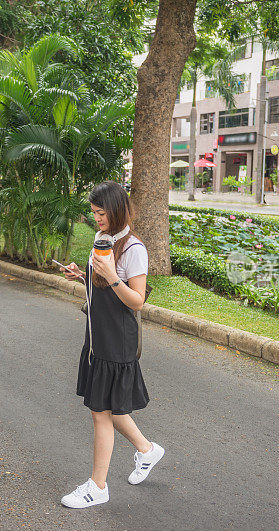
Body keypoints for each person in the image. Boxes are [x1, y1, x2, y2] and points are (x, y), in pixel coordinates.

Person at [58, 180, 164, 509]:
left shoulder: (134, 249)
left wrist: (112, 276)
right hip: (97, 336)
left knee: (100, 413)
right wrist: (83, 274)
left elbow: (136, 301)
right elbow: (102, 285)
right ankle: (147, 451)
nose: (96, 219)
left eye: (101, 213)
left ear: (115, 210)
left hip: (117, 340)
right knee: (107, 406)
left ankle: (97, 486)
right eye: (93, 213)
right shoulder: (103, 240)